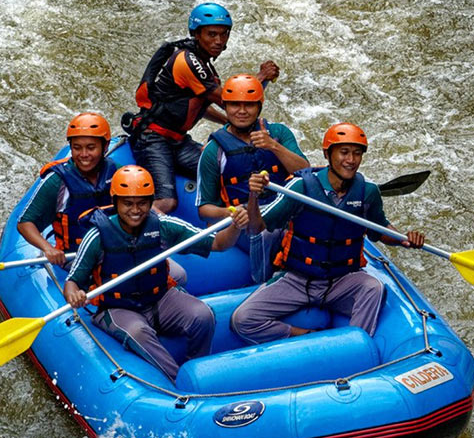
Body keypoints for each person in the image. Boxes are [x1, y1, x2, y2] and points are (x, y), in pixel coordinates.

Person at [231, 123, 426, 344]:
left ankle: (353, 346)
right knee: (242, 318)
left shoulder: (368, 192)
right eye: (344, 152)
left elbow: (380, 230)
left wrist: (404, 240)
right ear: (327, 153)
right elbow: (257, 227)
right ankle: (305, 336)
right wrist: (254, 197)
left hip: (342, 280)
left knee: (374, 288)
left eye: (357, 153)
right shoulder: (300, 187)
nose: (351, 160)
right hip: (298, 279)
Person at [64, 166, 252, 381]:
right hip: (117, 307)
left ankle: (196, 369)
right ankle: (177, 381)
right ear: (116, 202)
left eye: (142, 203)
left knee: (203, 315)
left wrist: (235, 227)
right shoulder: (96, 235)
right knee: (138, 332)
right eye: (128, 203)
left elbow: (218, 243)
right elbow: (72, 283)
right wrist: (74, 295)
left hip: (159, 297)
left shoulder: (163, 225)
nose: (136, 210)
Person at [125, 2, 278, 214]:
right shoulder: (187, 60)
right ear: (197, 34)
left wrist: (227, 121)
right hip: (153, 139)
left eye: (223, 35)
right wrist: (260, 77)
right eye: (211, 34)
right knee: (167, 202)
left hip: (178, 142)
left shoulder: (204, 64)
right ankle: (129, 236)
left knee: (220, 170)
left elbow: (200, 105)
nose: (218, 41)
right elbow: (227, 99)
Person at [195, 73, 308, 284]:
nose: (241, 111)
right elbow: (204, 210)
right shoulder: (214, 151)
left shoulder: (278, 133)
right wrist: (232, 214)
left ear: (259, 107)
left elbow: (305, 173)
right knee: (264, 233)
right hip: (246, 224)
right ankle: (267, 282)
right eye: (235, 105)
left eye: (249, 105)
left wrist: (273, 146)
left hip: (284, 213)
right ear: (225, 107)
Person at [16, 112, 127, 268]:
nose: (83, 155)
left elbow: (142, 204)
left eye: (91, 148)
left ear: (106, 146)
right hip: (76, 256)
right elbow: (25, 223)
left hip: (118, 248)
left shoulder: (118, 172)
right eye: (77, 148)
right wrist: (48, 248)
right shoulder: (57, 182)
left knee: (171, 274)